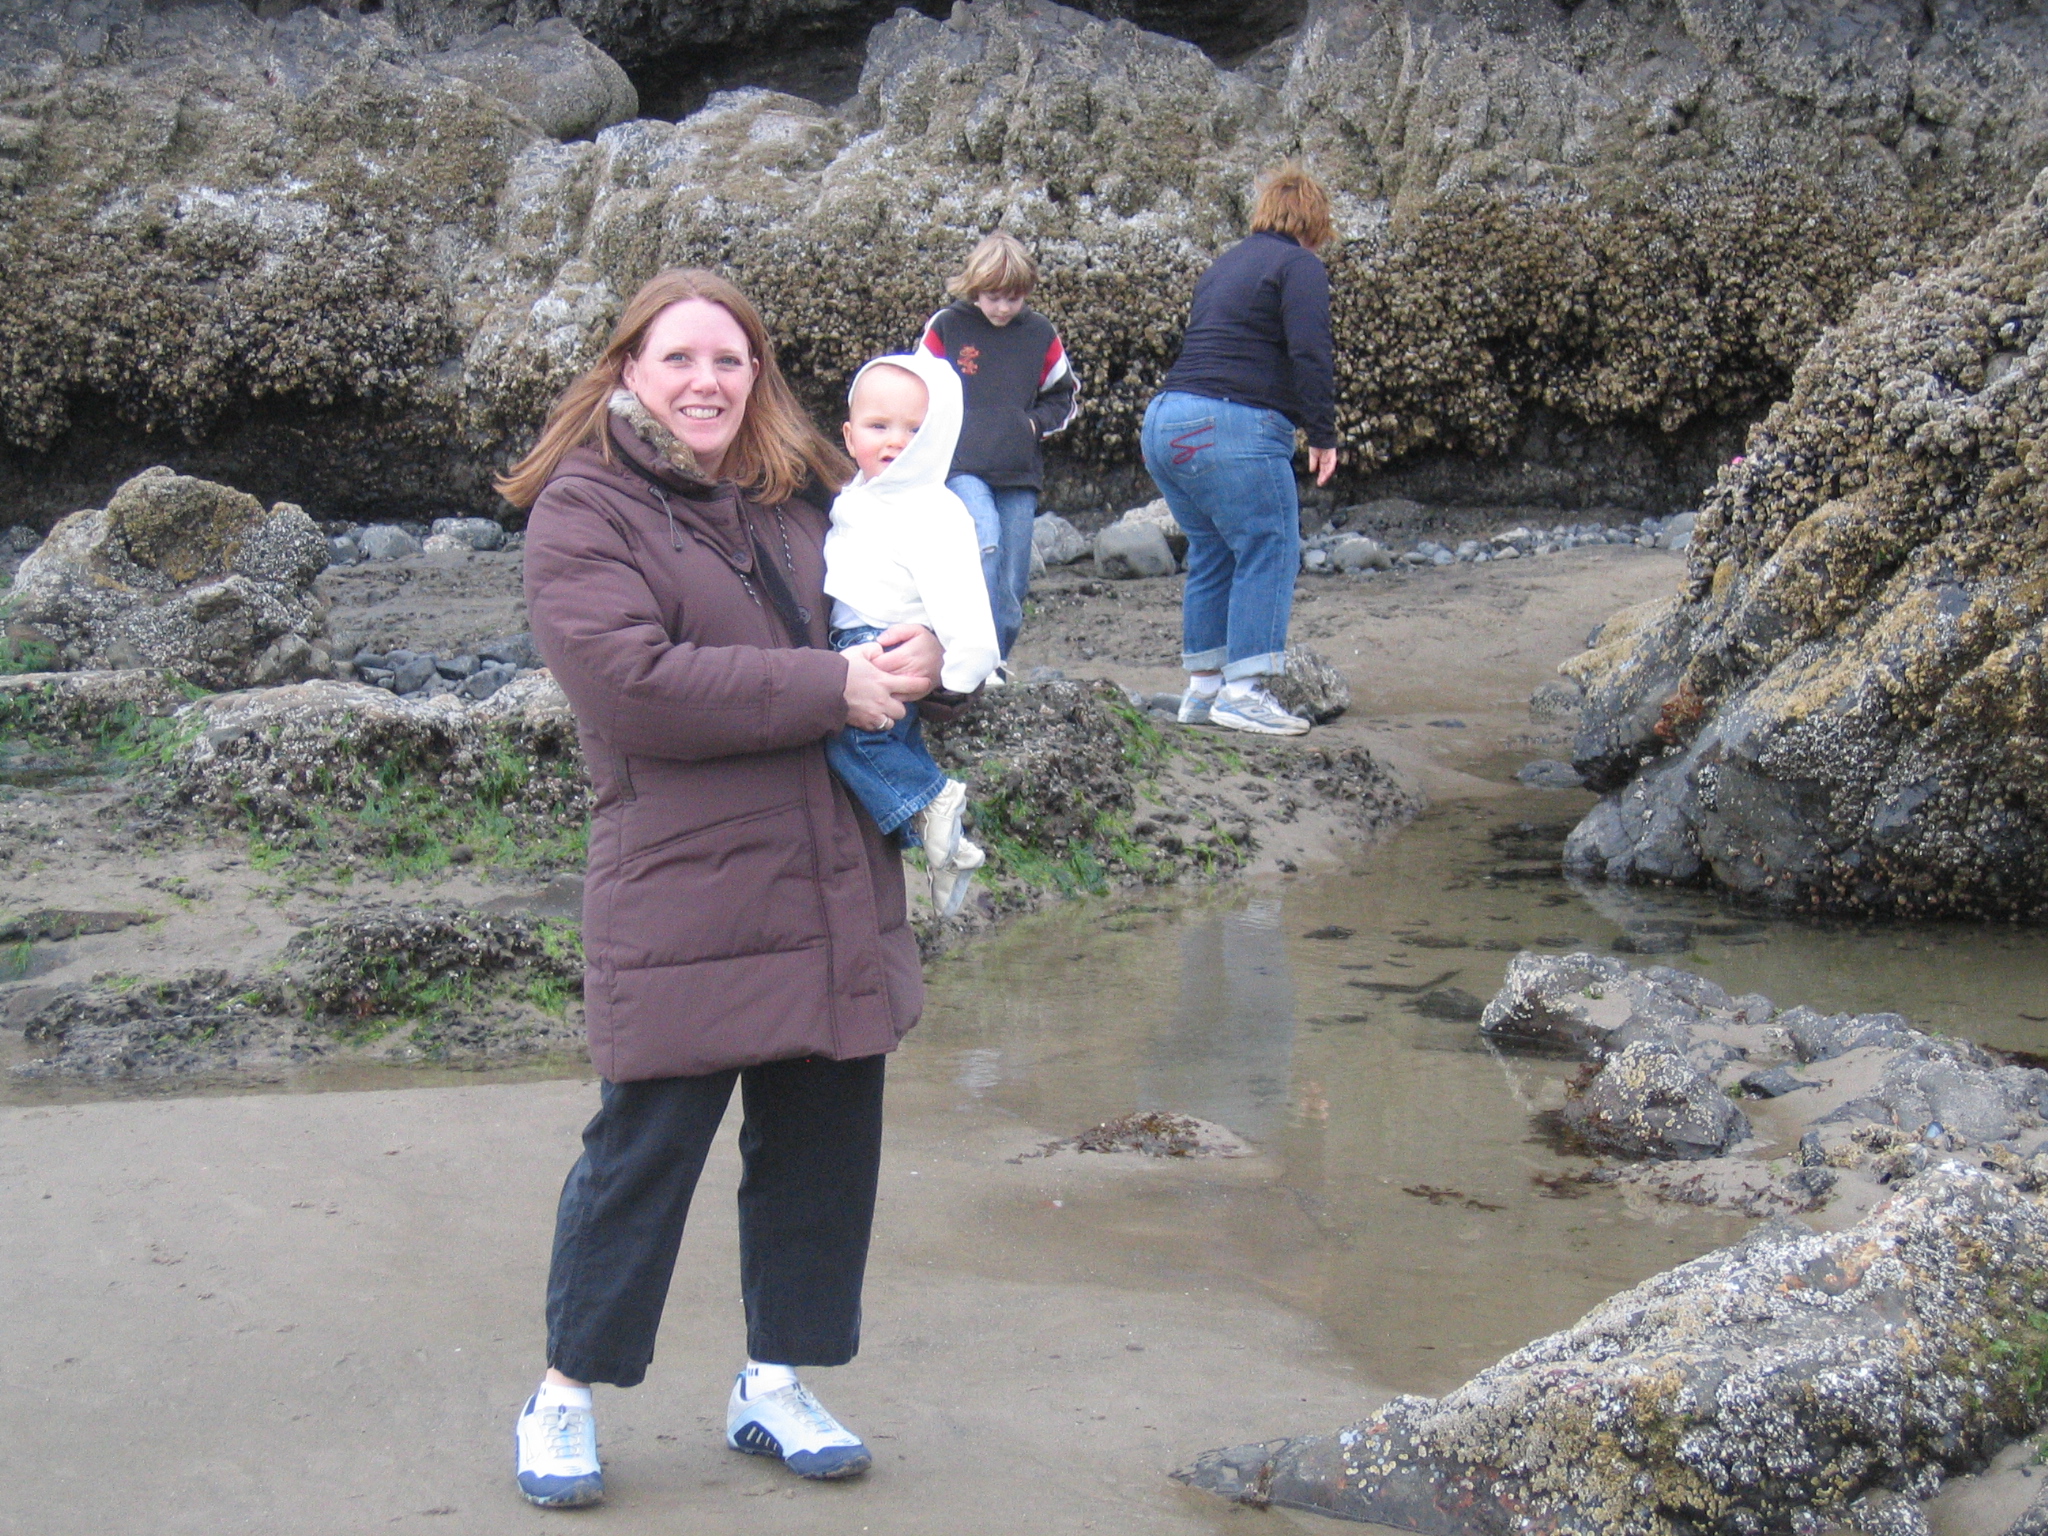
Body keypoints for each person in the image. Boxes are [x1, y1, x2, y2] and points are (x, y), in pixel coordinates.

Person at [496, 268, 948, 1508]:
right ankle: (563, 1396)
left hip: (831, 879)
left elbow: (890, 630)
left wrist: (931, 656)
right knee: (642, 1154)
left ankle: (773, 1382)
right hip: (684, 894)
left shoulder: (805, 500)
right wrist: (829, 690)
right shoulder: (581, 509)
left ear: (759, 376)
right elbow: (631, 687)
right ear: (628, 368)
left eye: (730, 360)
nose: (707, 381)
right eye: (680, 358)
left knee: (820, 1151)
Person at [1140, 164, 1340, 736]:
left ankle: (1203, 691)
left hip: (1164, 420)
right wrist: (1322, 434)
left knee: (1213, 550)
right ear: (1314, 220)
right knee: (1269, 545)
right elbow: (1310, 350)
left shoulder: (1224, 264)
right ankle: (1245, 692)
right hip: (1230, 424)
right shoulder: (1299, 264)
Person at [823, 350, 1001, 917]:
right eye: (880, 427)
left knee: (847, 734)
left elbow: (960, 589)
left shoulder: (932, 506)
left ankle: (937, 803)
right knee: (887, 745)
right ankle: (945, 847)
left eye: (916, 431)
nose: (896, 442)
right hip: (857, 639)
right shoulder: (856, 496)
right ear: (849, 435)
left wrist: (965, 661)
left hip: (883, 641)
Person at [919, 230, 1078, 664]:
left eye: (1014, 298)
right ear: (974, 288)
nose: (1004, 308)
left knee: (1013, 575)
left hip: (1019, 472)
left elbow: (1062, 395)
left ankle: (997, 662)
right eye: (993, 297)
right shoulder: (948, 326)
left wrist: (1031, 426)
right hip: (960, 466)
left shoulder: (1040, 333)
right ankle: (973, 654)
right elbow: (918, 389)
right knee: (984, 544)